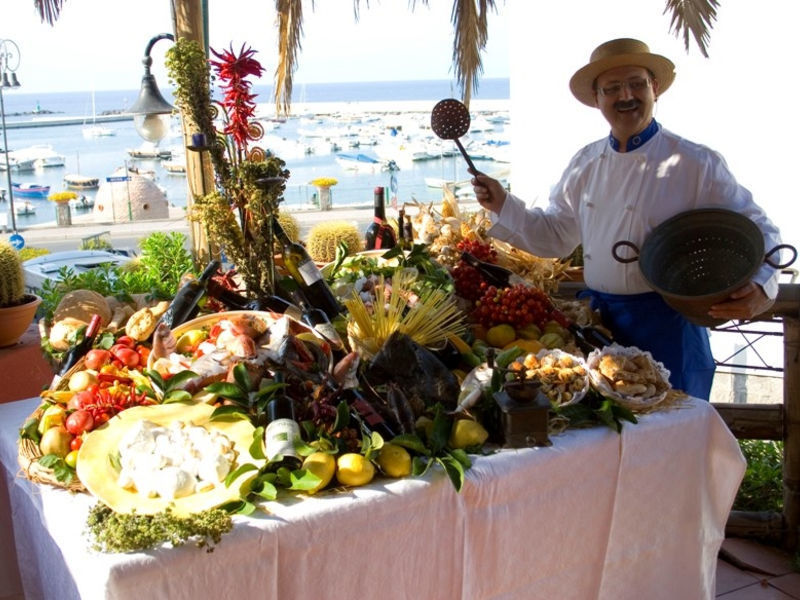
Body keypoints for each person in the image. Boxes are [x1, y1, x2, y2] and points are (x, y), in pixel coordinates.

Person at [470, 38, 783, 400]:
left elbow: (760, 229)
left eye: (636, 83)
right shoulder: (585, 163)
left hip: (670, 325)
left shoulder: (696, 162)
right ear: (598, 99)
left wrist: (763, 285)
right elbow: (556, 236)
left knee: (671, 438)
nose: (625, 96)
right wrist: (503, 204)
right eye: (612, 88)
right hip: (600, 325)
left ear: (656, 88)